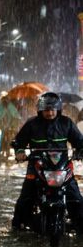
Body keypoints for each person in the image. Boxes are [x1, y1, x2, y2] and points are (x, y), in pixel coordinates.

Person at [11, 92, 83, 231]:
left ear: (58, 110)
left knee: (76, 199)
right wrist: (19, 152)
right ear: (40, 110)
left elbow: (79, 141)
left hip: (62, 167)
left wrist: (80, 151)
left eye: (52, 110)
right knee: (25, 198)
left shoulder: (66, 123)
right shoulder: (31, 124)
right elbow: (19, 142)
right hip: (37, 166)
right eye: (46, 110)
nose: (49, 113)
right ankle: (18, 226)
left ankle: (79, 227)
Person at [0, 96, 22, 160]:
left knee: (12, 139)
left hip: (12, 128)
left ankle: (10, 150)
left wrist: (13, 125)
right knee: (2, 139)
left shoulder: (10, 107)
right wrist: (1, 124)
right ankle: (1, 152)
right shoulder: (0, 107)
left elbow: (16, 117)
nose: (5, 102)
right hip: (4, 127)